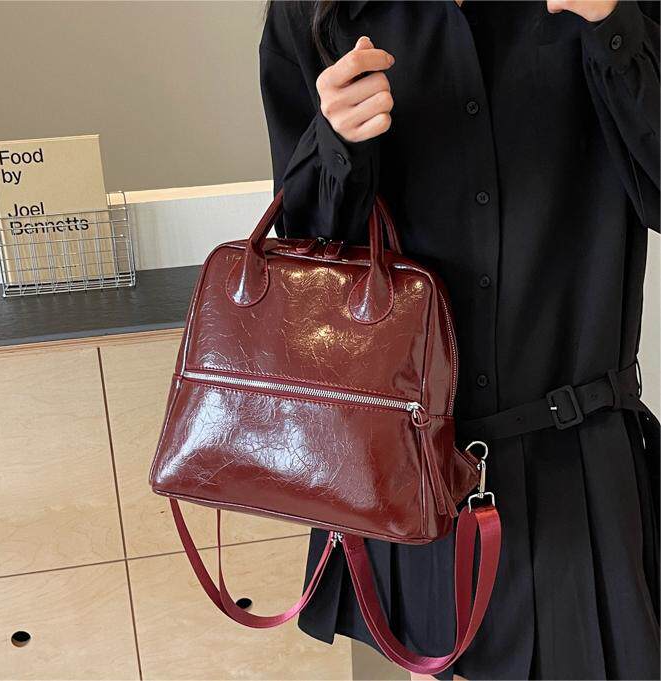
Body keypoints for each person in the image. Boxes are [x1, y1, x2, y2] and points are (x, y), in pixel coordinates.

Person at [258, 2, 660, 679]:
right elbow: (308, 258)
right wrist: (336, 147)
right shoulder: (315, 11)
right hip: (407, 472)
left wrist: (614, 27)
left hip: (578, 467)